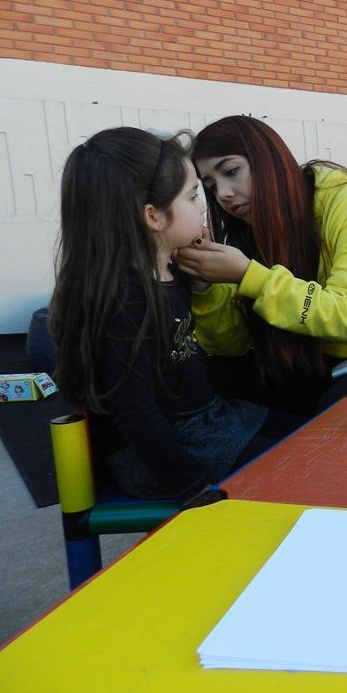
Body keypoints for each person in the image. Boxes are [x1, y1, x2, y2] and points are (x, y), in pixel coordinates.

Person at [48, 128, 300, 504]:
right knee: (305, 467)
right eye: (194, 195)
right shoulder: (126, 300)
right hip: (170, 450)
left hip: (210, 419)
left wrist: (201, 286)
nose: (204, 206)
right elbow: (135, 413)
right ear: (153, 216)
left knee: (315, 433)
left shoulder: (173, 271)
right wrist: (192, 489)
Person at [175, 116, 347, 413]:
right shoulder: (248, 228)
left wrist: (249, 276)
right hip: (314, 355)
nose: (223, 193)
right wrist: (205, 288)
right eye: (210, 186)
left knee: (337, 414)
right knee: (220, 384)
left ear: (267, 161)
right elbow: (230, 346)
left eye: (232, 171)